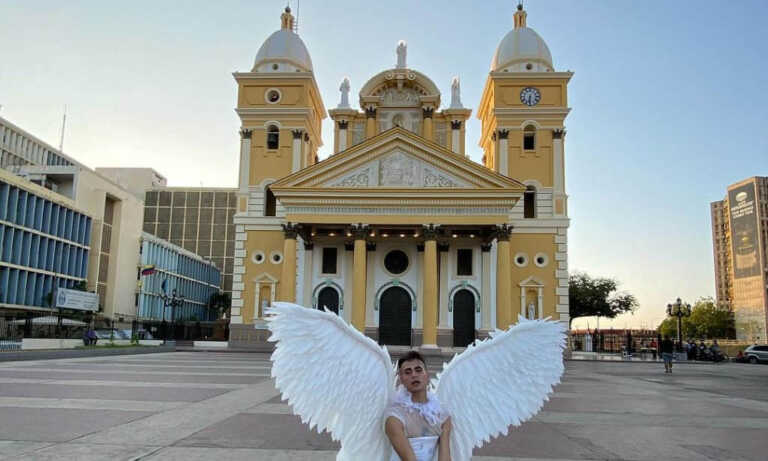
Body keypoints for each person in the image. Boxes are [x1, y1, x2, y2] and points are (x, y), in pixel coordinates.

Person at [384, 351, 452, 461]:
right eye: (407, 372)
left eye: (418, 370)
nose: (414, 375)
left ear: (427, 375)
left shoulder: (442, 416)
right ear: (401, 379)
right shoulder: (395, 417)